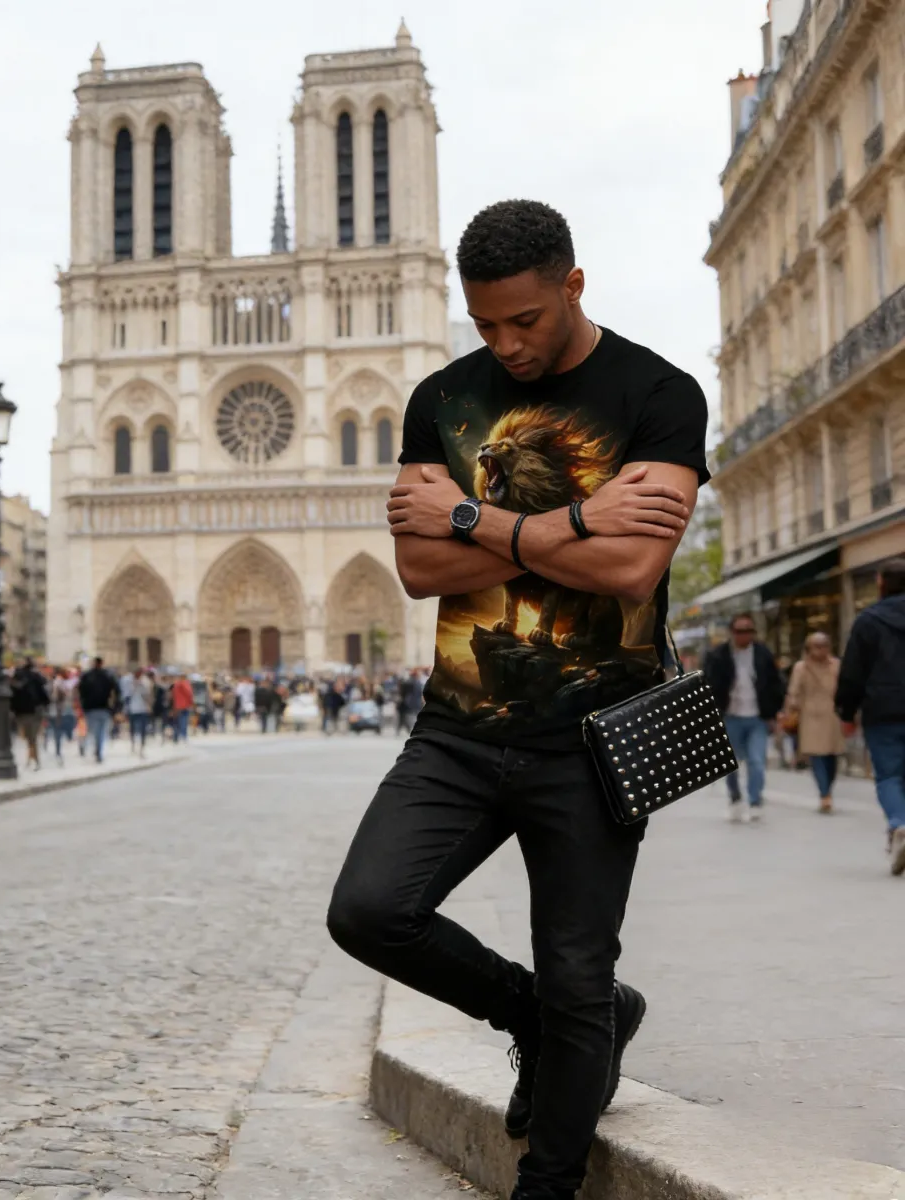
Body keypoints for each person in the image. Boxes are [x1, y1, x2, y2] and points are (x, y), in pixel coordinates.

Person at [326, 200, 707, 1200]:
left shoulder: (660, 394)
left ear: (573, 287)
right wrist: (574, 516)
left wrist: (473, 517)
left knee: (578, 972)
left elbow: (630, 566)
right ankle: (530, 1016)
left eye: (525, 321)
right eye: (486, 323)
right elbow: (417, 566)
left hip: (594, 743)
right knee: (369, 912)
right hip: (457, 729)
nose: (505, 343)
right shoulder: (442, 399)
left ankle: (548, 1181)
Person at [836, 558, 905, 876]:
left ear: (881, 583)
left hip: (883, 710)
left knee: (889, 776)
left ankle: (899, 823)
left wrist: (846, 712)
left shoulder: (868, 622)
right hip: (885, 709)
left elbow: (852, 672)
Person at [703, 614, 784, 823]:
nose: (745, 636)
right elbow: (709, 686)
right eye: (740, 631)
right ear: (732, 632)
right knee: (731, 763)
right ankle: (735, 797)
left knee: (756, 761)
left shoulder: (763, 653)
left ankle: (755, 801)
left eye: (749, 631)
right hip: (730, 717)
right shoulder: (718, 655)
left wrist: (774, 713)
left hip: (757, 717)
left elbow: (775, 684)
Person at [781, 633, 846, 814]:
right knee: (817, 756)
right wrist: (791, 709)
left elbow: (844, 687)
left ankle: (828, 789)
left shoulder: (836, 665)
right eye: (817, 645)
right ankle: (824, 794)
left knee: (832, 756)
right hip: (810, 715)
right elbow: (793, 691)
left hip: (833, 715)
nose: (821, 649)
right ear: (809, 648)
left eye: (824, 645)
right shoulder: (801, 668)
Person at [77, 657, 120, 762]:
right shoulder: (108, 676)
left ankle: (94, 749)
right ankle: (98, 750)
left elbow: (81, 691)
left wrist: (83, 704)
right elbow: (117, 691)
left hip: (90, 708)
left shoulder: (86, 676)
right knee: (101, 732)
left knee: (93, 730)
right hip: (104, 707)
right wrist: (115, 707)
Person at [10, 657, 50, 770]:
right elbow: (43, 694)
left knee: (28, 738)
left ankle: (31, 760)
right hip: (35, 710)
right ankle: (35, 760)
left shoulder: (17, 677)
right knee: (32, 738)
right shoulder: (36, 677)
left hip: (21, 711)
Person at [50, 667, 78, 764]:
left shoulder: (57, 682)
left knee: (58, 731)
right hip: (59, 712)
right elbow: (58, 697)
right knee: (59, 731)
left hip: (58, 711)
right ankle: (58, 751)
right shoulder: (59, 683)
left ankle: (58, 750)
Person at [127, 668, 154, 757]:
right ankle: (133, 746)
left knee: (143, 729)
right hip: (133, 708)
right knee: (132, 728)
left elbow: (148, 695)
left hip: (143, 709)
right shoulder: (130, 681)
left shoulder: (145, 682)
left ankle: (142, 748)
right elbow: (127, 694)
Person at [171, 673, 194, 743]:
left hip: (177, 705)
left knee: (177, 721)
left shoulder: (176, 685)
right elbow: (189, 693)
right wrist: (191, 703)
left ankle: (176, 736)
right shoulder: (185, 684)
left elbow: (173, 695)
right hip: (184, 705)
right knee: (183, 721)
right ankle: (183, 736)